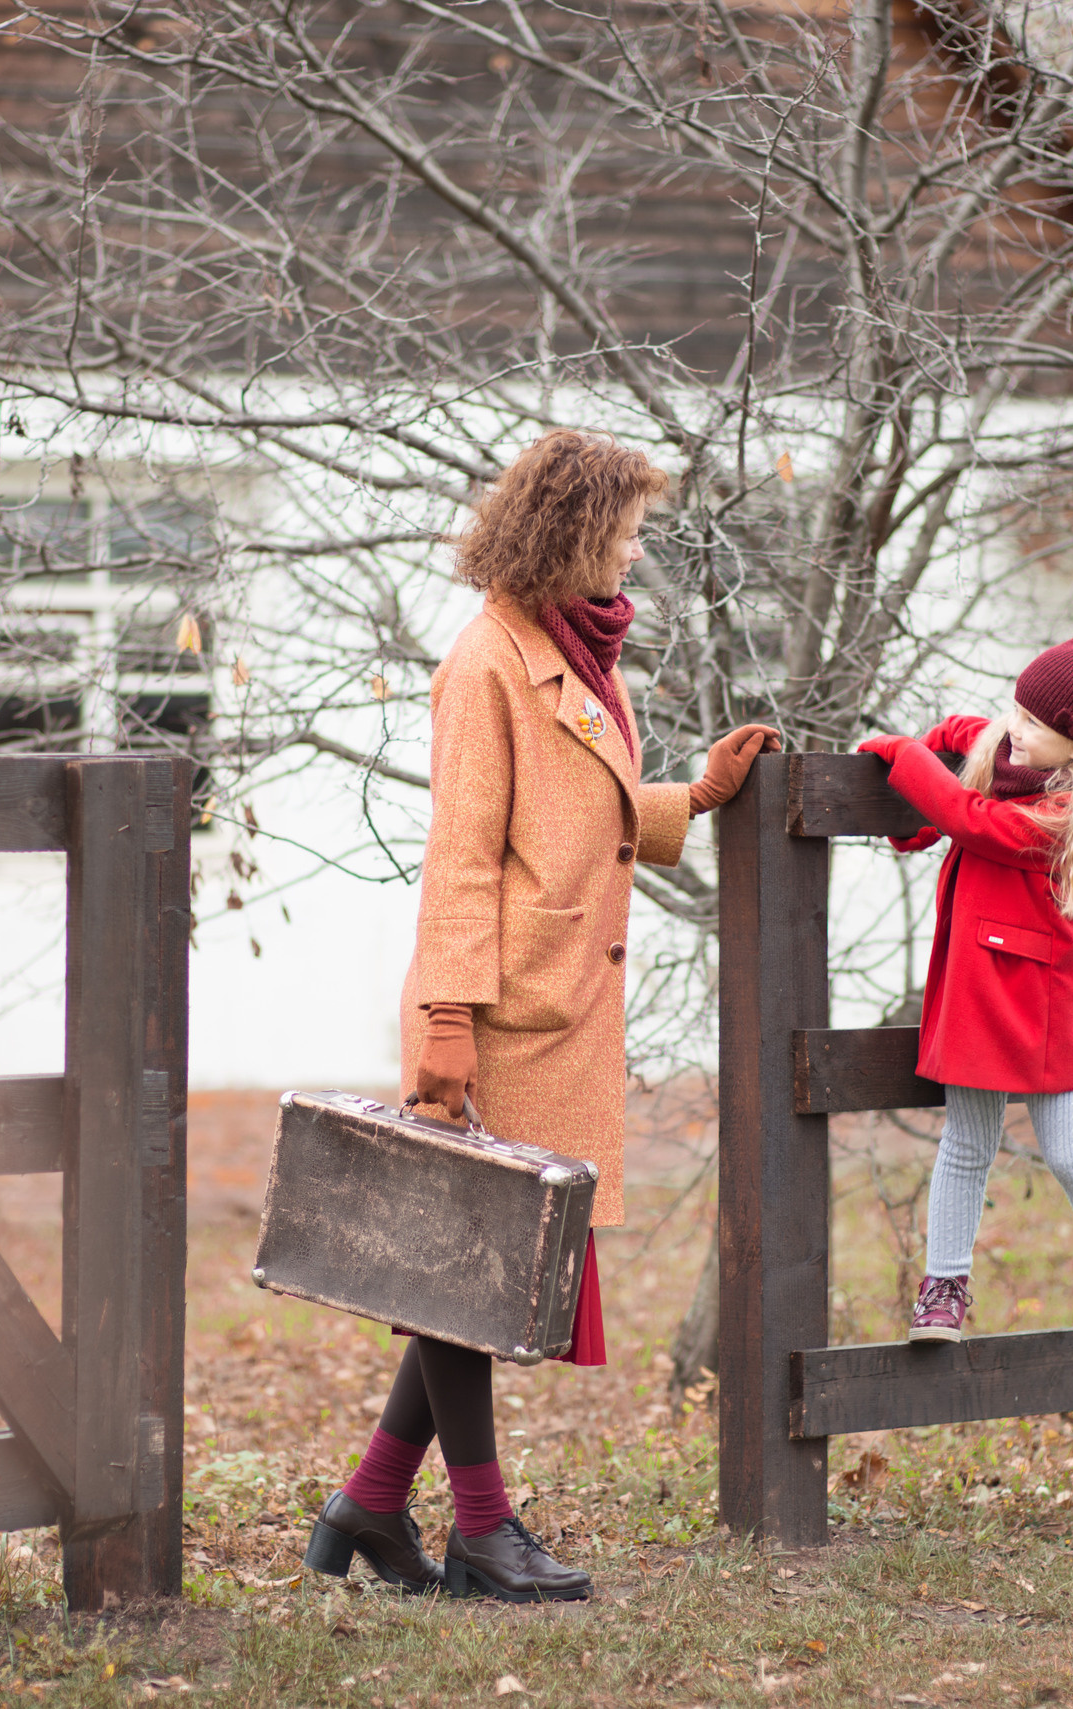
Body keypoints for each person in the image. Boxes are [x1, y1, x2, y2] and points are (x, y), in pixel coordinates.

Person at [304, 430, 779, 1602]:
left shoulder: (572, 650)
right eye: (620, 532)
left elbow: (576, 817)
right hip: (498, 1011)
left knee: (475, 1263)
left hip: (552, 1009)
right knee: (471, 1271)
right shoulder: (488, 662)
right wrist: (449, 1025)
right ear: (572, 532)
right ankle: (479, 1529)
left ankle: (367, 1508)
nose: (632, 553)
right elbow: (462, 860)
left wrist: (691, 796)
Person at [854, 635, 1073, 1382]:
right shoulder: (1011, 742)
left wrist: (901, 754)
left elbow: (968, 818)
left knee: (1068, 1148)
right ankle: (945, 1285)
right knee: (966, 1140)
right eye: (1016, 709)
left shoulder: (1063, 811)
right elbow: (963, 738)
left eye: (1033, 720)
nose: (1014, 725)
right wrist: (922, 783)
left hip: (1049, 999)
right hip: (981, 987)